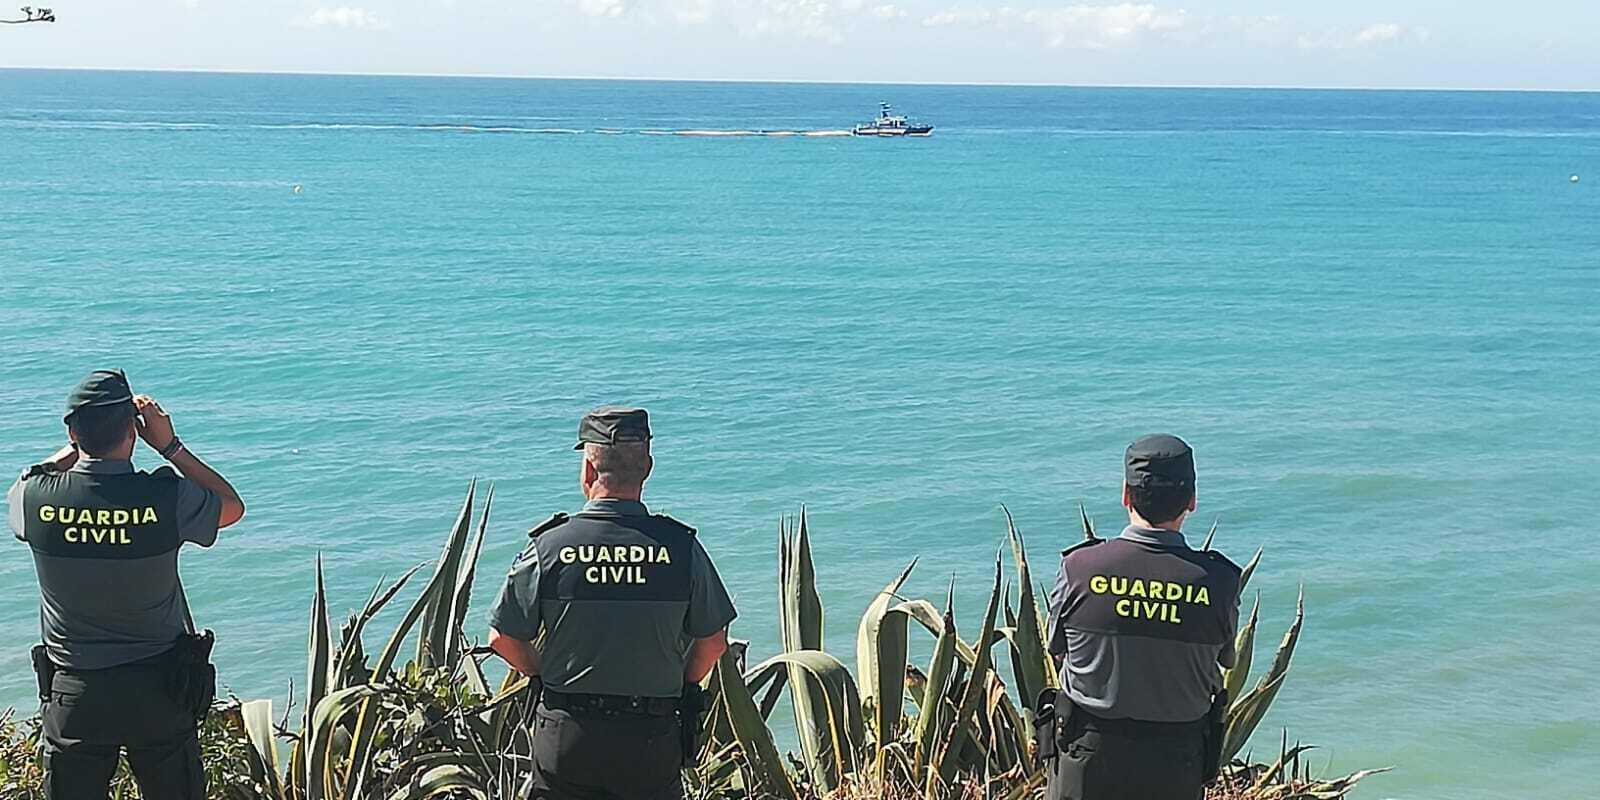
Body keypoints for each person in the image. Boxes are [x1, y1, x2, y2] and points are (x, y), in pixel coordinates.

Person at [6, 369, 245, 800]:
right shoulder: (165, 497)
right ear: (134, 433)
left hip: (75, 698)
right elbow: (231, 506)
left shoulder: (34, 498)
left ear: (74, 433)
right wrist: (170, 446)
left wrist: (77, 445)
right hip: (159, 693)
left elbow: (29, 479)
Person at [487, 406, 737, 800]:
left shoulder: (548, 548)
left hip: (567, 737)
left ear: (588, 470)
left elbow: (502, 637)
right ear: (647, 468)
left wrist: (540, 675)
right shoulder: (681, 549)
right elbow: (714, 641)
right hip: (651, 741)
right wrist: (683, 683)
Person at [1043, 434, 1241, 800]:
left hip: (1088, 759)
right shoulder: (1221, 582)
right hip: (1176, 764)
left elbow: (1057, 651)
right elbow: (1225, 660)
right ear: (1192, 501)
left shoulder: (1079, 569)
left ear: (1126, 495)